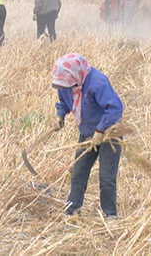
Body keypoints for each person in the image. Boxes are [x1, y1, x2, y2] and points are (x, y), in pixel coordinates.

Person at [53, 53, 123, 217]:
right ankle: (71, 210)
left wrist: (100, 131)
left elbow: (115, 108)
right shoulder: (67, 84)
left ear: (76, 76)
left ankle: (110, 215)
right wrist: (60, 115)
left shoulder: (97, 82)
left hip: (109, 134)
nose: (65, 88)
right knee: (78, 173)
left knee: (106, 178)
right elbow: (64, 101)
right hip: (87, 133)